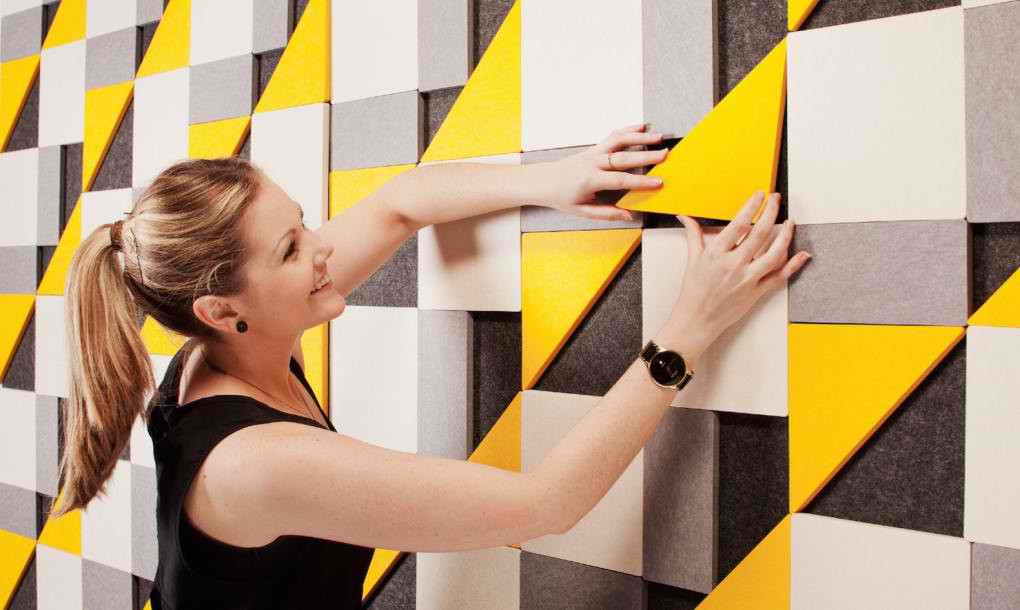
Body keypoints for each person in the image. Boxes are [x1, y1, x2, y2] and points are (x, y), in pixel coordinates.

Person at [51, 123, 810, 609]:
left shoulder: (234, 338)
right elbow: (546, 504)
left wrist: (552, 181)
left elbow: (399, 204)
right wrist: (689, 327)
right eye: (291, 249)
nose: (324, 247)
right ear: (221, 308)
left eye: (302, 224)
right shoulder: (254, 462)